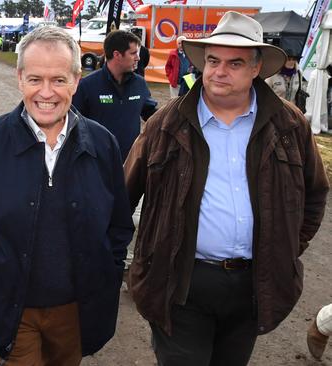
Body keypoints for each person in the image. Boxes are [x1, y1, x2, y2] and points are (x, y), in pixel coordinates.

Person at [124, 11, 329, 366]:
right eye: (213, 60)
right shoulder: (165, 124)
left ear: (256, 68)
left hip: (252, 286)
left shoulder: (289, 123)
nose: (219, 71)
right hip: (179, 285)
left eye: (234, 63)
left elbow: (314, 194)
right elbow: (122, 196)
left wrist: (284, 247)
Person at [0, 26, 134, 366]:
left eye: (58, 80)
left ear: (76, 79)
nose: (46, 92)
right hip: (10, 310)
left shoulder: (103, 144)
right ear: (19, 79)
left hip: (74, 312)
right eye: (35, 80)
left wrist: (106, 277)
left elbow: (118, 225)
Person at [72, 30, 157, 162]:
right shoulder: (87, 85)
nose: (138, 58)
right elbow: (73, 124)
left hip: (130, 162)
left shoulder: (139, 84)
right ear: (117, 55)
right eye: (133, 53)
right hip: (96, 162)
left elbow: (151, 113)